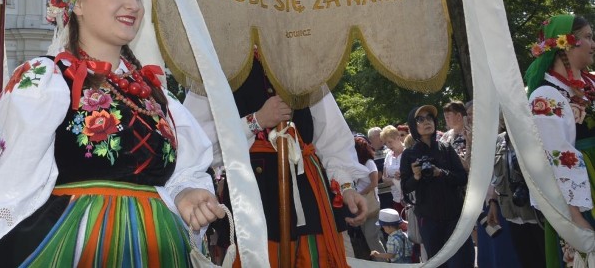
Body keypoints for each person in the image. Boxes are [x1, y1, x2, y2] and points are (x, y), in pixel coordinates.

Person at [0, 0, 224, 267]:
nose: (134, 5)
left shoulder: (155, 93)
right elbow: (12, 182)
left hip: (160, 246)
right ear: (78, 3)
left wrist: (186, 193)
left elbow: (185, 170)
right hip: (76, 242)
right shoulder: (46, 79)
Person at [184, 54, 369, 267]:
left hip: (310, 195)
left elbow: (332, 136)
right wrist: (255, 121)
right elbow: (198, 144)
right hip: (252, 199)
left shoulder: (300, 62)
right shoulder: (217, 64)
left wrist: (346, 187)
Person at [525, 14, 595, 267]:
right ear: (567, 43)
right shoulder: (546, 96)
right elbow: (557, 159)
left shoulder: (589, 85)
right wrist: (575, 218)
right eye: (587, 37)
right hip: (584, 196)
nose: (593, 43)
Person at [400, 104, 473, 268]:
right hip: (429, 220)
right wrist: (417, 176)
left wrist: (441, 173)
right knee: (439, 263)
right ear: (413, 125)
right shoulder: (409, 154)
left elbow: (462, 178)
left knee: (463, 261)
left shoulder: (446, 148)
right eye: (420, 119)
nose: (427, 122)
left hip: (454, 216)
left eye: (430, 118)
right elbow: (405, 188)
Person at [380, 125, 405, 213]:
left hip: (410, 198)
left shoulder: (408, 152)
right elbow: (384, 178)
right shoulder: (388, 155)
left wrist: (394, 179)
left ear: (398, 138)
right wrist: (395, 180)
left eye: (390, 142)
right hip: (396, 198)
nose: (388, 145)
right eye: (386, 143)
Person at [440, 100, 468, 168]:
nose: (446, 119)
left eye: (448, 116)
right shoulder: (445, 136)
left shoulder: (471, 134)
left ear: (458, 116)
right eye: (445, 117)